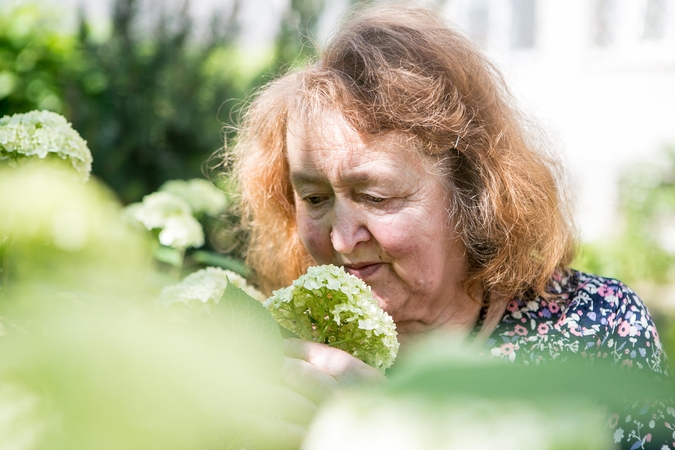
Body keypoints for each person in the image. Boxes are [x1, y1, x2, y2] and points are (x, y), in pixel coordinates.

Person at [231, 3, 671, 448]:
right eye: (314, 199)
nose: (342, 239)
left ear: (470, 192)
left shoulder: (596, 328)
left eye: (375, 196)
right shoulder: (288, 350)